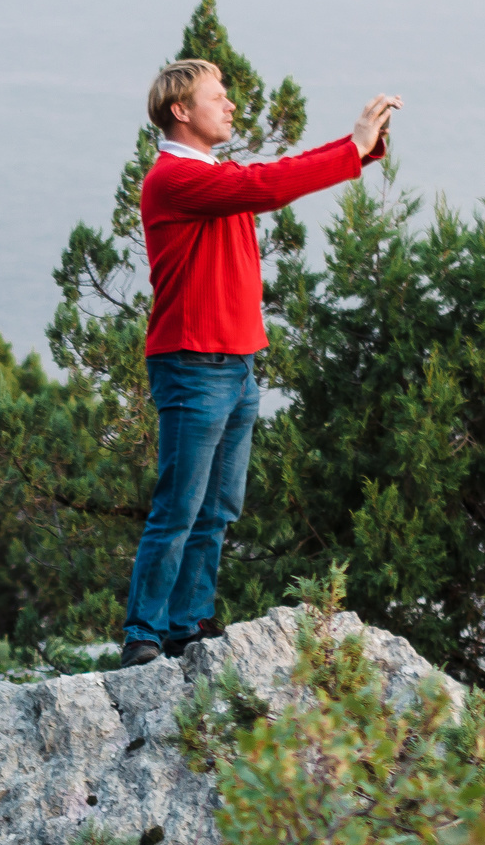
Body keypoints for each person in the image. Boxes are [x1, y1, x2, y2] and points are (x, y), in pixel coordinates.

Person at [116, 60, 400, 670]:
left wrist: (360, 150)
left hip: (237, 364)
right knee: (180, 507)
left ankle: (186, 628)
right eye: (217, 97)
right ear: (180, 112)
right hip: (193, 365)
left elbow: (264, 179)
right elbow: (269, 185)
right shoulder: (173, 179)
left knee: (218, 508)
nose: (232, 106)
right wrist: (351, 148)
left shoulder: (210, 173)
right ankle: (144, 634)